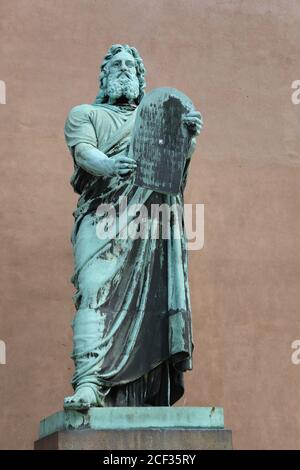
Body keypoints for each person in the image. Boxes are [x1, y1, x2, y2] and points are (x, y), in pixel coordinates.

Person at [63, 44, 203, 410]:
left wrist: (186, 141)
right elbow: (84, 154)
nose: (124, 70)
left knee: (152, 300)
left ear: (141, 79)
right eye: (116, 65)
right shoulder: (85, 114)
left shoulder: (155, 117)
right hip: (102, 212)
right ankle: (89, 383)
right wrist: (110, 166)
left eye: (131, 66)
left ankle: (141, 385)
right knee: (93, 289)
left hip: (149, 223)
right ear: (104, 77)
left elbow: (171, 175)